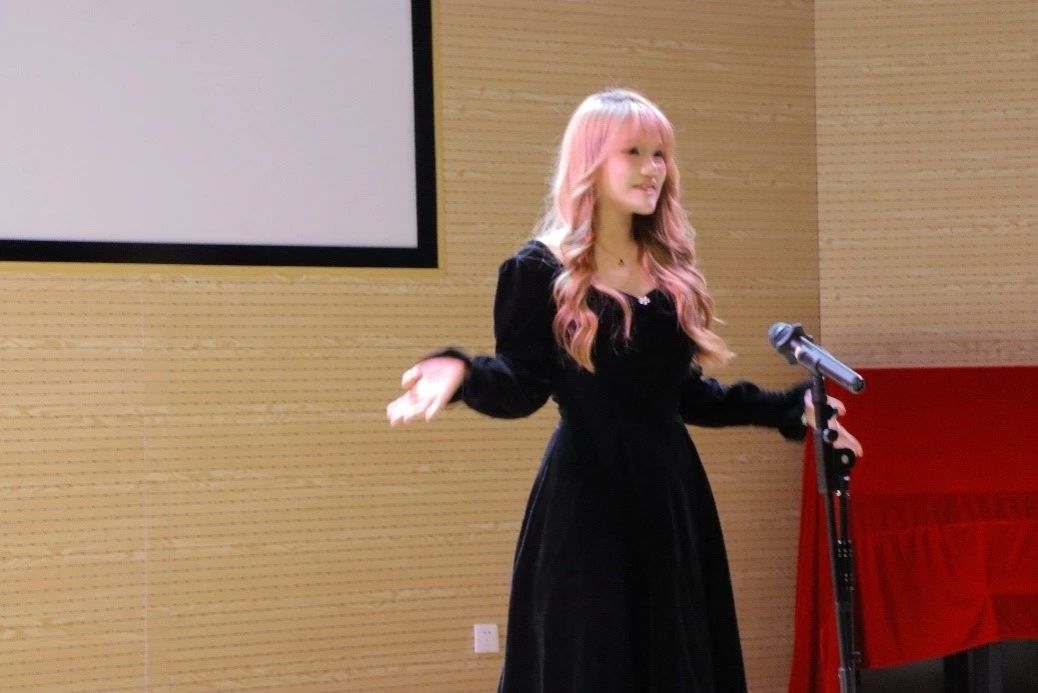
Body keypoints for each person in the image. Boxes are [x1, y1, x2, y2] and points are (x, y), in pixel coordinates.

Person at [386, 89, 862, 692]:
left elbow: (685, 396)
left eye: (659, 153)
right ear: (590, 161)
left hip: (670, 498)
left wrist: (793, 407)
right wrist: (463, 374)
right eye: (632, 152)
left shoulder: (667, 269)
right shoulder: (538, 270)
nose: (652, 167)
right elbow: (521, 385)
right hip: (587, 501)